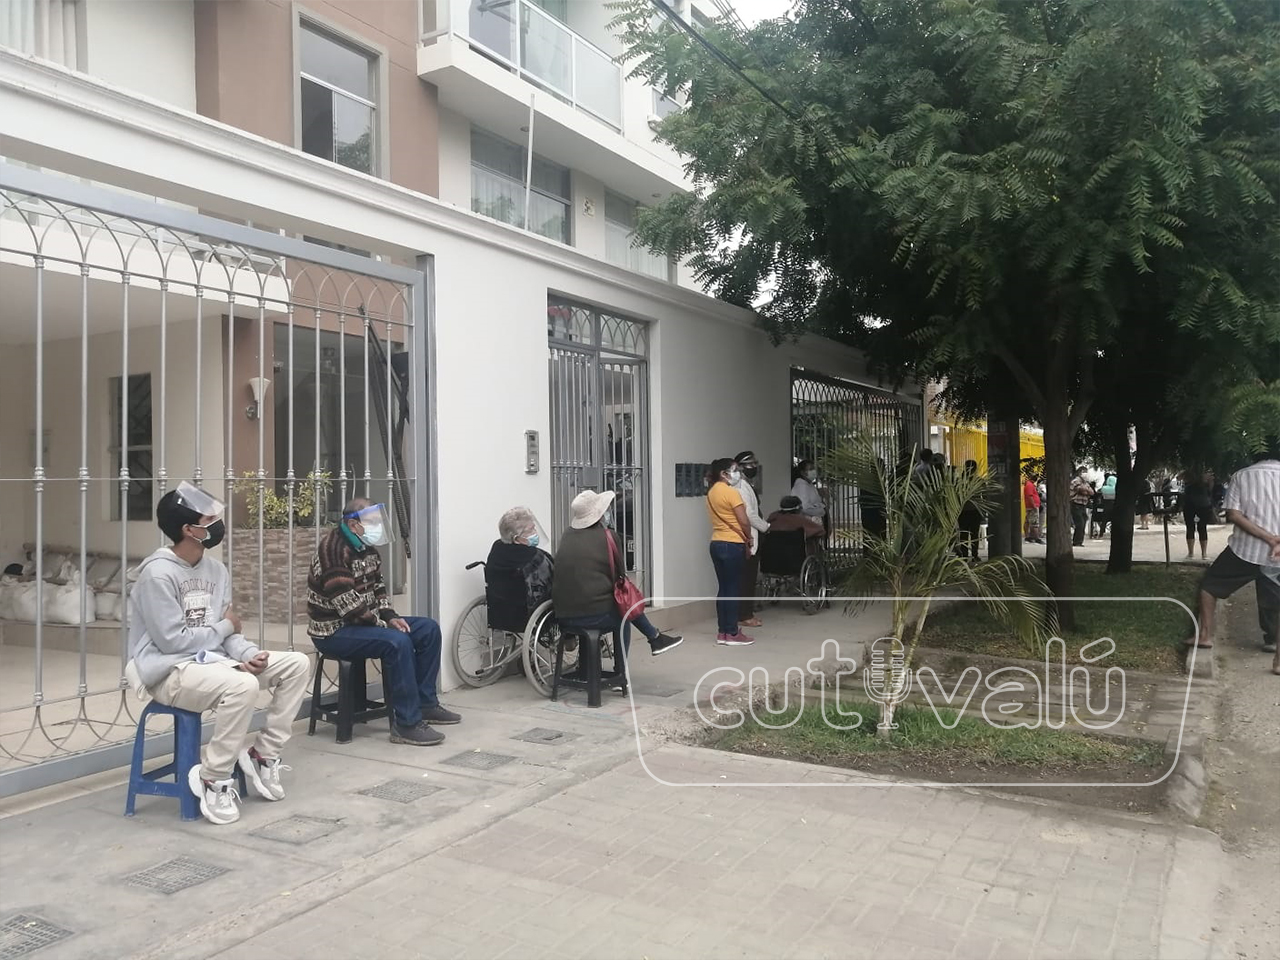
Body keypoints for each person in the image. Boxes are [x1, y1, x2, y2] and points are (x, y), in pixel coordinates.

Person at [126, 483, 311, 825]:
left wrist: (249, 653)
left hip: (215, 664)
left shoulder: (216, 571)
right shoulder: (157, 575)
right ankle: (213, 777)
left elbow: (228, 634)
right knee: (242, 685)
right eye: (208, 520)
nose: (217, 524)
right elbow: (173, 642)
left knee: (296, 664)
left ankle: (263, 755)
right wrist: (226, 629)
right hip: (169, 671)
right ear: (189, 530)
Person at [309, 498, 460, 747]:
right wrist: (384, 626)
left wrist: (391, 616)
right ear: (353, 524)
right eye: (372, 522)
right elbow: (349, 608)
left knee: (428, 629)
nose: (377, 526)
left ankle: (425, 704)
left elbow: (379, 589)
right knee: (397, 641)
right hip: (335, 630)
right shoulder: (332, 551)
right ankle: (406, 724)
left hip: (365, 623)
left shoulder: (367, 548)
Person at [551, 489, 683, 663]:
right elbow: (619, 574)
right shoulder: (609, 536)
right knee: (625, 613)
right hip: (595, 615)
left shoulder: (567, 535)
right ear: (600, 514)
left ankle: (655, 637)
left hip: (563, 615)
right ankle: (623, 667)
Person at [1188, 443, 1280, 673]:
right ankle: (1279, 661)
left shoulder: (1241, 476)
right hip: (1277, 555)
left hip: (1244, 551)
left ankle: (1205, 635)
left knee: (1209, 586)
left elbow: (1234, 515)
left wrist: (1268, 538)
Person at [708, 458, 756, 645]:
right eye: (735, 470)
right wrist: (749, 537)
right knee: (733, 589)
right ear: (723, 473)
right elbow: (744, 520)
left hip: (717, 542)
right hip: (733, 544)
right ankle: (733, 633)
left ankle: (723, 632)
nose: (738, 474)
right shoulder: (731, 493)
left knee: (723, 589)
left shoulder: (711, 492)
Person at [484, 507, 553, 632]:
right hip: (527, 613)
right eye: (531, 530)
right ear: (516, 539)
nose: (535, 532)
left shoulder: (497, 549)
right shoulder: (535, 557)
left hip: (500, 612)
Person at [733, 451, 770, 629]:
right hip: (747, 537)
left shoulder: (747, 484)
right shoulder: (740, 487)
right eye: (749, 465)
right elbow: (748, 514)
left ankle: (744, 612)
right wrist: (765, 527)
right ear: (739, 467)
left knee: (748, 576)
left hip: (751, 535)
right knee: (747, 577)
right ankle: (745, 615)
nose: (753, 467)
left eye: (755, 464)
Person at [1182, 469, 1215, 561]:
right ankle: (1202, 554)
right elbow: (1210, 494)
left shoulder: (1189, 485)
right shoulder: (1203, 484)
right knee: (1201, 528)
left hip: (1192, 506)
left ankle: (1192, 553)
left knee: (1192, 528)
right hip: (1202, 506)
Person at [959, 460, 985, 558]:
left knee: (963, 535)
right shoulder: (979, 481)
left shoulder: (960, 481)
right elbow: (985, 496)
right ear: (975, 469)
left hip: (963, 511)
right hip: (975, 511)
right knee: (974, 534)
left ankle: (964, 555)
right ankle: (975, 555)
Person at [790, 460, 826, 526]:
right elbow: (804, 508)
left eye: (814, 468)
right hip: (805, 524)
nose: (814, 471)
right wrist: (821, 510)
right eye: (811, 469)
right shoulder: (801, 486)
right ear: (803, 473)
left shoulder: (810, 485)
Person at [1070, 467, 1094, 547]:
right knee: (1079, 523)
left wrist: (1086, 490)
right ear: (1080, 473)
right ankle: (1076, 541)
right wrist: (1086, 490)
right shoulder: (1076, 481)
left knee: (1083, 522)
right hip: (1076, 504)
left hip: (1083, 504)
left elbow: (1091, 492)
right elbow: (1082, 490)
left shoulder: (1086, 482)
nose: (1086, 474)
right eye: (1084, 472)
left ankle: (1079, 541)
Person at [1023, 469, 1042, 544]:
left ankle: (1028, 537)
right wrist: (1034, 505)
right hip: (1032, 506)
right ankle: (1036, 538)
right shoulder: (1030, 485)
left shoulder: (1030, 484)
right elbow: (1030, 496)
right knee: (1034, 522)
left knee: (1028, 521)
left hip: (1031, 506)